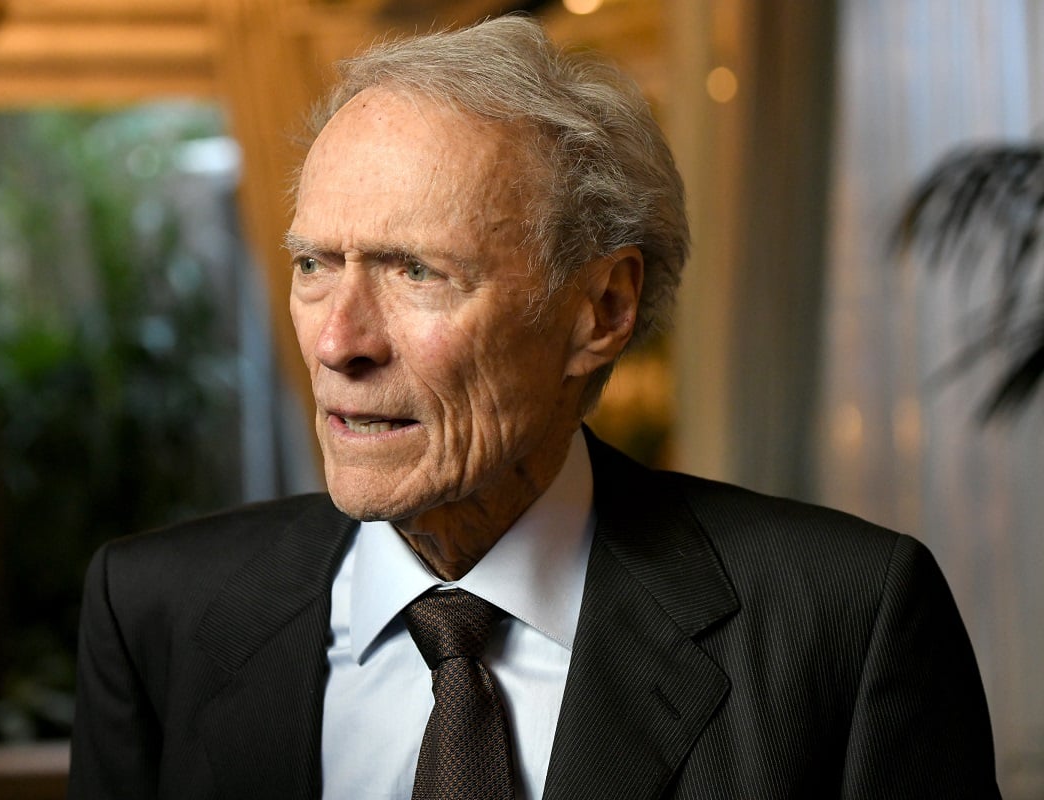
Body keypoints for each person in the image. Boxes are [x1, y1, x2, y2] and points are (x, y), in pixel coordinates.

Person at [67, 15, 1000, 800]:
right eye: (315, 264)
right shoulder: (156, 613)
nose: (336, 341)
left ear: (602, 309)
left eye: (416, 271)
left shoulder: (845, 622)